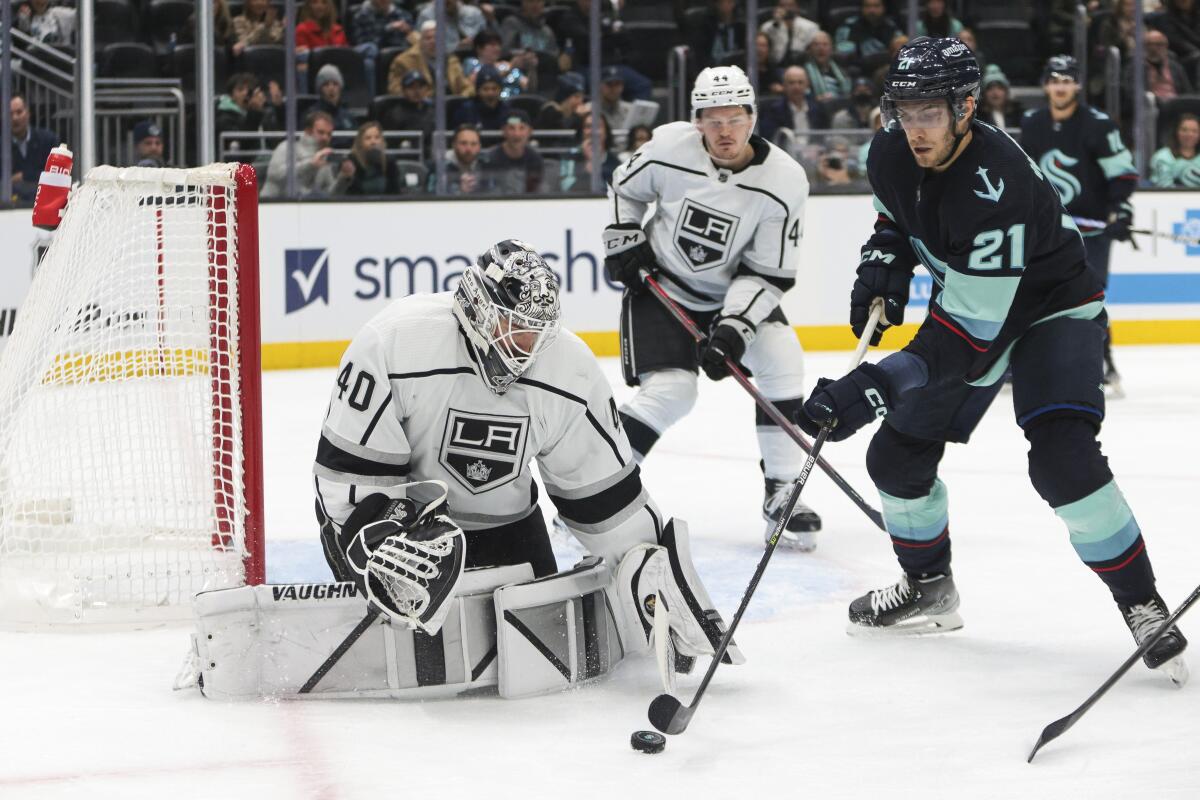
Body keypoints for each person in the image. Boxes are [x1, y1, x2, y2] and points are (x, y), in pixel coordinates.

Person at [793, 38, 1188, 686]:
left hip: (1048, 311)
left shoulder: (993, 181)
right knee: (895, 460)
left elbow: (964, 340)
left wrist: (873, 383)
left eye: (930, 112)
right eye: (904, 110)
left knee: (1062, 458)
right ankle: (928, 590)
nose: (914, 128)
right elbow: (896, 221)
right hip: (972, 309)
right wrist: (884, 265)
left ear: (967, 106)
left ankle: (1142, 602)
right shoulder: (889, 150)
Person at [313, 241, 738, 679]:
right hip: (404, 522)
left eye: (537, 330)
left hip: (506, 525)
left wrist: (654, 577)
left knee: (539, 665)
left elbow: (607, 503)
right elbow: (350, 479)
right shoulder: (396, 342)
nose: (526, 345)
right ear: (478, 307)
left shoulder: (569, 370)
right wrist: (377, 544)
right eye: (514, 326)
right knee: (405, 642)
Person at [604, 65, 821, 551]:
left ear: (753, 117)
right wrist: (623, 238)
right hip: (663, 288)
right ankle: (597, 493)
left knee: (782, 356)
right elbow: (625, 189)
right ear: (697, 121)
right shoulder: (667, 147)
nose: (725, 131)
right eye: (713, 119)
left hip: (730, 296)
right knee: (673, 392)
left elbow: (769, 272)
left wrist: (733, 330)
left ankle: (782, 491)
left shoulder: (784, 180)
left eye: (735, 118)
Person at [1020, 55, 1138, 396]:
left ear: (1078, 85)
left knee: (1088, 298)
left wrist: (1122, 212)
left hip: (1092, 232)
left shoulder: (1098, 124)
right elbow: (1025, 177)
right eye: (1055, 80)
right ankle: (1033, 364)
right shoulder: (1032, 123)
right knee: (1038, 295)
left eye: (1067, 80)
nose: (1061, 87)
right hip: (1049, 231)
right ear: (1046, 85)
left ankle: (1102, 363)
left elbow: (1123, 174)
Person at [261, 110, 337, 198]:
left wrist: (344, 178)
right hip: (273, 205)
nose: (325, 138)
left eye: (329, 134)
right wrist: (310, 164)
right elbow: (275, 175)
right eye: (321, 132)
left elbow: (330, 195)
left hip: (306, 207)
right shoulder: (287, 147)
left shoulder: (324, 157)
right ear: (308, 131)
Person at [757, 65, 831, 154]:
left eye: (800, 82)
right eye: (791, 83)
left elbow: (825, 136)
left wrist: (817, 148)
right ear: (784, 85)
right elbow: (770, 140)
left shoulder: (818, 109)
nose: (796, 87)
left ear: (807, 84)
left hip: (814, 156)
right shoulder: (773, 111)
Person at [387, 21, 472, 96]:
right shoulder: (403, 61)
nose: (433, 42)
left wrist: (464, 96)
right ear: (420, 41)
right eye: (428, 38)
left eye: (437, 38)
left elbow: (464, 87)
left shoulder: (451, 60)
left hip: (449, 107)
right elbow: (395, 90)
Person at [349, 0, 413, 97]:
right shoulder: (361, 16)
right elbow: (363, 44)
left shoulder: (404, 15)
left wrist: (409, 33)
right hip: (374, 57)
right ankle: (372, 101)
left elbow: (410, 43)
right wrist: (387, 29)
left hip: (400, 59)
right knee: (369, 59)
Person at [499, 0, 559, 91]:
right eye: (531, 1)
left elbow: (554, 57)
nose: (535, 5)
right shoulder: (512, 23)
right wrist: (521, 56)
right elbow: (504, 51)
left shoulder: (547, 31)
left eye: (538, 2)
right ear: (523, 3)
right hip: (517, 73)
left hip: (543, 75)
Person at [215, 73, 283, 155]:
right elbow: (243, 144)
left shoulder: (265, 111)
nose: (245, 93)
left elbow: (279, 138)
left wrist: (279, 107)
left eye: (248, 90)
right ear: (231, 95)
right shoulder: (224, 116)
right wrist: (254, 112)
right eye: (240, 90)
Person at [480, 109, 545, 193]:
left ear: (529, 132)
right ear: (504, 131)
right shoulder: (490, 159)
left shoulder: (535, 159)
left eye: (522, 128)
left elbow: (536, 191)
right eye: (511, 128)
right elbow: (486, 190)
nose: (516, 134)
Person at [8, 93, 58, 202]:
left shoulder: (48, 140)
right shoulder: (3, 146)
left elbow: (56, 175)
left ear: (28, 113)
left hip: (44, 203)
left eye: (19, 112)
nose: (15, 118)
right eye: (10, 114)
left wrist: (24, 176)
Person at [834, 0, 902, 78]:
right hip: (857, 70)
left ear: (883, 8)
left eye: (876, 6)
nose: (872, 10)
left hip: (883, 71)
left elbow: (899, 53)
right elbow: (841, 53)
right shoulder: (849, 26)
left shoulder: (892, 27)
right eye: (867, 6)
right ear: (862, 8)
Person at [553, 112, 618, 192]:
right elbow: (566, 188)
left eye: (598, 126)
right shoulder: (570, 156)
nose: (593, 132)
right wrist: (588, 169)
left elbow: (615, 192)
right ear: (582, 131)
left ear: (606, 133)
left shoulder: (615, 162)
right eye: (588, 127)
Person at [1123, 28, 1193, 101]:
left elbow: (1187, 92)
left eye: (1158, 44)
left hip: (1175, 105)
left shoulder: (1176, 67)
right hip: (1151, 106)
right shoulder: (1135, 67)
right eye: (1149, 44)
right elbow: (1132, 94)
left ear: (1166, 46)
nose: (1154, 48)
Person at [333, 121, 399, 196]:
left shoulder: (390, 161)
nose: (373, 142)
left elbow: (396, 191)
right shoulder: (351, 161)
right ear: (360, 142)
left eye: (377, 137)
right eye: (368, 138)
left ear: (382, 140)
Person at [462, 31, 529, 99]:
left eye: (499, 45)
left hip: (516, 105)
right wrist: (510, 69)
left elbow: (528, 87)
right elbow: (477, 83)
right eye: (492, 45)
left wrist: (532, 69)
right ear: (479, 48)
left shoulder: (506, 65)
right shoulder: (471, 63)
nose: (497, 48)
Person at [759, 0, 820, 68]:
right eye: (783, 5)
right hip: (775, 66)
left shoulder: (810, 27)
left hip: (802, 66)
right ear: (777, 8)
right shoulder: (768, 27)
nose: (787, 8)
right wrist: (776, 22)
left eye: (790, 5)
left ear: (797, 7)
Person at [415, 0, 489, 54]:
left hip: (474, 56)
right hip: (441, 61)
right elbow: (422, 46)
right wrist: (457, 46)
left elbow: (486, 41)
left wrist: (474, 41)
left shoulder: (474, 13)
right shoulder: (427, 15)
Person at [453, 66, 513, 130]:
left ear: (500, 89)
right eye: (485, 89)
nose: (490, 93)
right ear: (478, 91)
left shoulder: (507, 110)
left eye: (494, 88)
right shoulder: (466, 110)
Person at [378, 70, 434, 136]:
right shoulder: (395, 115)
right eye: (411, 87)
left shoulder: (433, 110)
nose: (417, 91)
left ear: (426, 89)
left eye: (420, 87)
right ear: (403, 90)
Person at [1150, 113, 1200, 187]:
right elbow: (1163, 188)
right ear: (1176, 132)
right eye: (1184, 130)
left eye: (1194, 131)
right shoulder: (1162, 157)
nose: (1189, 134)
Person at [804, 31, 852, 103]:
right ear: (810, 49)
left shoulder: (842, 71)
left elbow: (848, 94)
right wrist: (816, 99)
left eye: (825, 44)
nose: (821, 48)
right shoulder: (804, 73)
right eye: (816, 45)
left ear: (831, 49)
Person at [438, 124, 485, 194]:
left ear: (479, 146)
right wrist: (459, 192)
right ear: (454, 145)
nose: (469, 149)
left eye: (474, 144)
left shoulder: (486, 165)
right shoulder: (440, 168)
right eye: (463, 143)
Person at [977, 64, 1021, 129]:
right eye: (990, 89)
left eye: (1000, 88)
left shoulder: (1018, 114)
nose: (995, 93)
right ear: (983, 94)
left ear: (1006, 92)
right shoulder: (977, 117)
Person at [314, 64, 356, 131]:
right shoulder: (312, 116)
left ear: (340, 88)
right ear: (320, 90)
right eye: (326, 84)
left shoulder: (348, 116)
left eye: (335, 84)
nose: (331, 88)